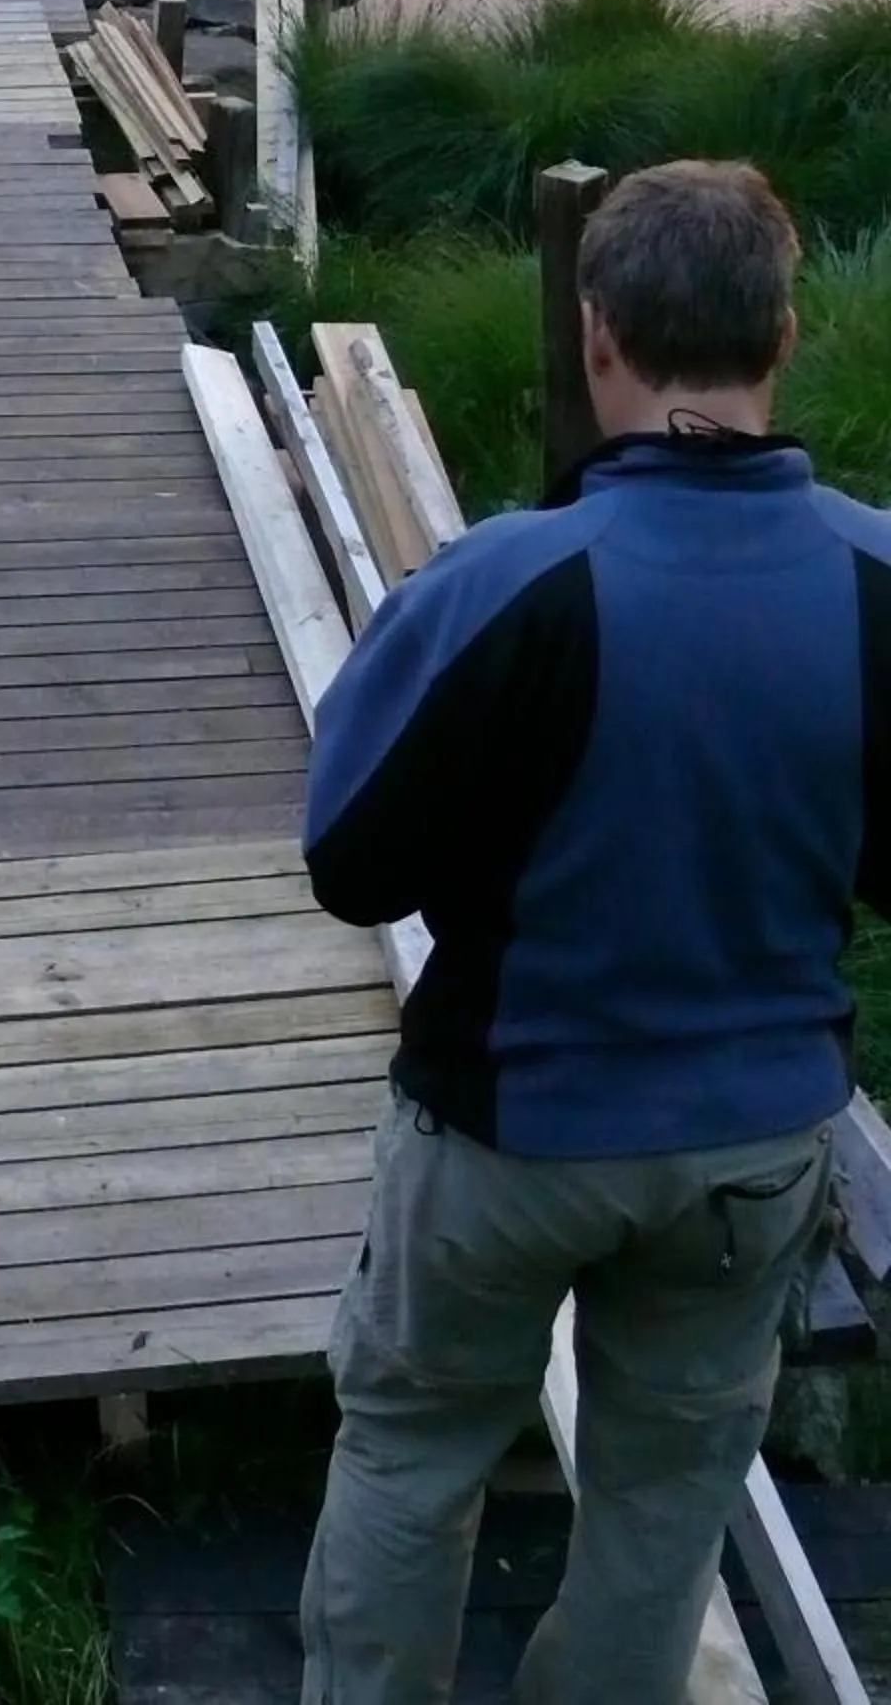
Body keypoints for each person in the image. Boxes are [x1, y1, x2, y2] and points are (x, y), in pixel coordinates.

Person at [299, 159, 891, 1705]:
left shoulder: (510, 579)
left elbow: (350, 862)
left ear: (596, 337)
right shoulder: (874, 583)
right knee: (664, 1506)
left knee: (414, 1453)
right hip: (755, 1152)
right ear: (785, 333)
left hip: (507, 1132)